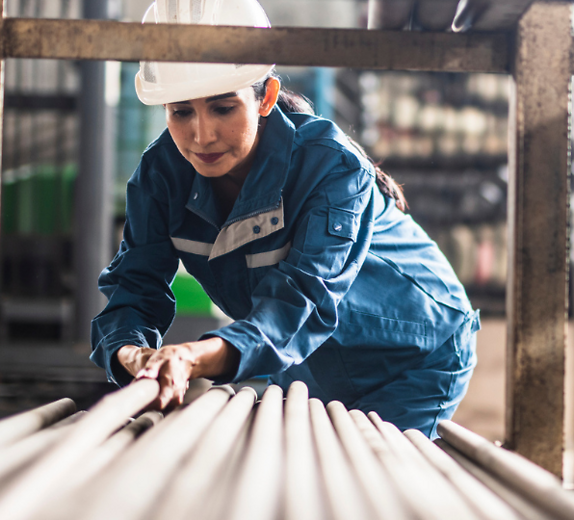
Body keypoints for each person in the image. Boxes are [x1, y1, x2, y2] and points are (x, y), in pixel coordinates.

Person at [89, 0, 478, 437]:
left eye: (222, 108)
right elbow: (134, 288)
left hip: (415, 353)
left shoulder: (331, 168)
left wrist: (193, 359)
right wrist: (133, 354)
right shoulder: (160, 177)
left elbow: (301, 299)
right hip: (308, 358)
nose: (202, 135)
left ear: (266, 97)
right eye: (181, 111)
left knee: (362, 485)